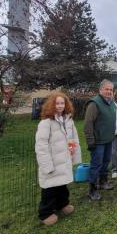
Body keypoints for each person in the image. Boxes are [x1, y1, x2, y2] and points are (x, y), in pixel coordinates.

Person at [35, 92, 81, 225]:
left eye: (62, 103)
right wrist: (46, 164)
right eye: (57, 103)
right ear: (52, 105)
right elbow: (41, 145)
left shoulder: (68, 120)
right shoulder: (46, 123)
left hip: (64, 158)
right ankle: (46, 213)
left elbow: (74, 138)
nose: (60, 106)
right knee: (49, 188)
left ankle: (63, 204)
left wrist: (73, 151)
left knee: (62, 185)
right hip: (52, 160)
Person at [84, 79, 116, 200]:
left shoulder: (111, 103)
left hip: (108, 139)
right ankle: (92, 188)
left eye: (111, 90)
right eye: (106, 89)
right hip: (97, 142)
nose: (109, 91)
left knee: (106, 161)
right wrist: (90, 141)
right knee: (96, 164)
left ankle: (103, 182)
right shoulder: (94, 104)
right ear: (100, 90)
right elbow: (88, 124)